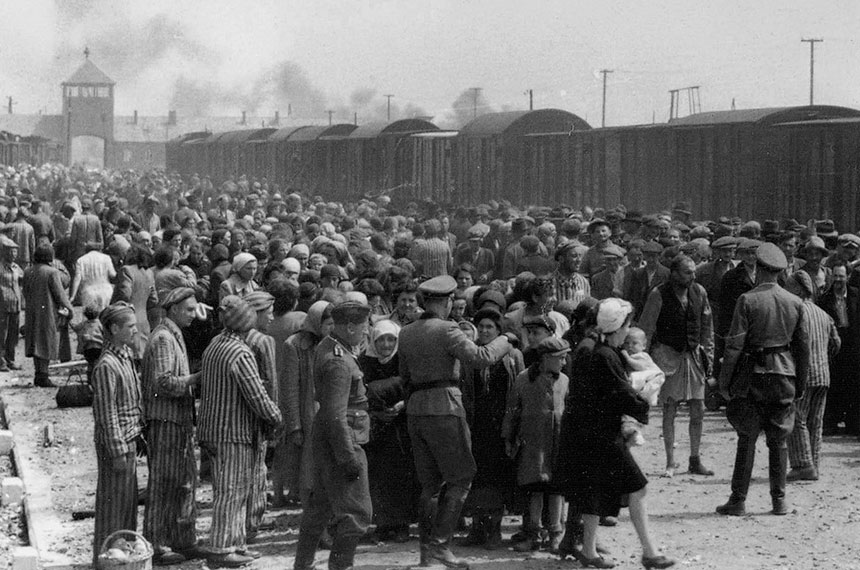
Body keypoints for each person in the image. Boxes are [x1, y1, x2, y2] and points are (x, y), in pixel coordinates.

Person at [398, 275, 510, 569]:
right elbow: (482, 357)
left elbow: (405, 376)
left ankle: (426, 553)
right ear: (446, 302)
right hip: (445, 408)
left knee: (430, 485)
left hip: (416, 410)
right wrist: (504, 339)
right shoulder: (448, 329)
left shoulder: (406, 332)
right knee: (461, 477)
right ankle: (440, 546)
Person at [557, 298, 674, 569]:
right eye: (626, 325)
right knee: (639, 487)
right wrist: (644, 399)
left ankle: (589, 550)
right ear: (617, 326)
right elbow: (622, 394)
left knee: (593, 491)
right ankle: (649, 552)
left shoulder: (598, 350)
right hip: (604, 437)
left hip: (590, 435)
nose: (627, 331)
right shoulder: (606, 355)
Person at [716, 243, 809, 517]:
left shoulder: (747, 300)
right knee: (778, 441)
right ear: (780, 272)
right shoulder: (795, 302)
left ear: (758, 269)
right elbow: (802, 348)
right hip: (784, 374)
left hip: (752, 375)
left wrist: (725, 381)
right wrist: (800, 384)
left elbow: (733, 347)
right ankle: (779, 500)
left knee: (747, 437)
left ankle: (738, 499)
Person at [199, 296, 282, 568]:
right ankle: (222, 547)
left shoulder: (215, 344)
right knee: (232, 492)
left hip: (213, 428)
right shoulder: (240, 352)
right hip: (233, 432)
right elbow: (256, 395)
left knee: (229, 489)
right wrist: (275, 416)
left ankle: (235, 543)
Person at [293, 300, 373, 570]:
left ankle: (303, 565)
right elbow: (336, 414)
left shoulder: (329, 346)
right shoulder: (339, 361)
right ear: (350, 327)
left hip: (329, 439)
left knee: (320, 506)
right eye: (364, 327)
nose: (367, 332)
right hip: (343, 441)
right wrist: (348, 457)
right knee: (357, 513)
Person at [638, 255, 715, 477]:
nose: (692, 276)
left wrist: (708, 356)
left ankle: (695, 459)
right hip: (667, 356)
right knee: (669, 409)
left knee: (698, 408)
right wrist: (646, 363)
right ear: (674, 273)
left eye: (693, 272)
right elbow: (647, 328)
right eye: (687, 272)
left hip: (693, 356)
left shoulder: (699, 292)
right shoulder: (658, 294)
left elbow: (707, 328)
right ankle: (670, 462)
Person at [141, 287, 202, 565]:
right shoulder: (164, 339)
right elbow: (163, 383)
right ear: (174, 309)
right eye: (189, 309)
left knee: (183, 482)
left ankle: (181, 538)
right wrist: (195, 379)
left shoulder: (173, 334)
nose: (194, 314)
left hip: (177, 421)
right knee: (164, 485)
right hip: (165, 421)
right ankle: (157, 543)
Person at [459, 307, 523, 549]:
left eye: (490, 327)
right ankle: (477, 528)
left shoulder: (513, 355)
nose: (485, 331)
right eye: (482, 327)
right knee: (476, 478)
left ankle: (494, 530)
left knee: (497, 479)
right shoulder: (471, 355)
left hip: (501, 425)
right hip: (477, 425)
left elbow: (518, 392)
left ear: (499, 331)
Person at [503, 336, 570, 553]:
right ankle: (534, 533)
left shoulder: (564, 381)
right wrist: (508, 437)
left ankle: (555, 534)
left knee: (556, 489)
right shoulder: (524, 379)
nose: (564, 363)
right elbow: (512, 410)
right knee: (535, 489)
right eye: (560, 358)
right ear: (545, 358)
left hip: (557, 443)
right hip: (533, 444)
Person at [91, 303, 144, 568]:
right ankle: (106, 561)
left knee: (126, 506)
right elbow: (107, 413)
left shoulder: (124, 356)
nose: (135, 331)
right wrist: (118, 451)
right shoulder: (106, 366)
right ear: (114, 329)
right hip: (118, 444)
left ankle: (122, 558)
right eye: (130, 327)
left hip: (129, 439)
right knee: (112, 508)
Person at [358, 320, 418, 543]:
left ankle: (402, 525)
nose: (385, 344)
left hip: (402, 425)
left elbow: (413, 387)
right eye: (381, 339)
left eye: (391, 339)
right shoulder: (365, 361)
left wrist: (402, 405)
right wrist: (377, 412)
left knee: (402, 474)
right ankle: (382, 524)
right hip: (377, 427)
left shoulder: (405, 360)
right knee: (378, 476)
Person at [784, 271, 840, 481]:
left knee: (796, 417)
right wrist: (823, 357)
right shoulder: (823, 314)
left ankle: (802, 464)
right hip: (823, 374)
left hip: (803, 374)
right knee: (816, 421)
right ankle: (814, 464)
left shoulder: (796, 310)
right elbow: (836, 343)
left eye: (789, 287)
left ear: (798, 289)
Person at [280, 301, 333, 505]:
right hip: (308, 415)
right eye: (328, 323)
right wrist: (294, 425)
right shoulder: (294, 345)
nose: (331, 328)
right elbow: (290, 389)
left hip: (331, 413)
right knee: (309, 472)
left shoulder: (336, 344)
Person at [242, 290, 278, 541]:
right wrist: (274, 414)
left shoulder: (238, 337)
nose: (272, 318)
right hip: (261, 409)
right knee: (258, 466)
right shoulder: (263, 340)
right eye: (269, 313)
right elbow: (272, 382)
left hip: (242, 411)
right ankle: (253, 520)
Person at [23, 244, 74, 387]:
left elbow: (25, 292)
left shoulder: (28, 271)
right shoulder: (52, 272)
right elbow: (60, 294)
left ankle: (38, 374)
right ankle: (44, 376)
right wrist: (70, 309)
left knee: (35, 341)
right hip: (47, 311)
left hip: (32, 311)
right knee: (45, 341)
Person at [619, 328, 666, 447]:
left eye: (634, 343)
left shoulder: (642, 356)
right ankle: (632, 432)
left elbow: (641, 367)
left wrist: (628, 359)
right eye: (626, 343)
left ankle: (635, 432)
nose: (630, 346)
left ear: (644, 345)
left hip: (644, 388)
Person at [0, 236, 23, 371]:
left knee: (13, 335)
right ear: (4, 252)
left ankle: (10, 359)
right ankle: (1, 361)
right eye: (10, 252)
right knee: (2, 334)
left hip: (15, 304)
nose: (13, 255)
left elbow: (22, 278)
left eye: (15, 252)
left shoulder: (16, 267)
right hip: (3, 305)